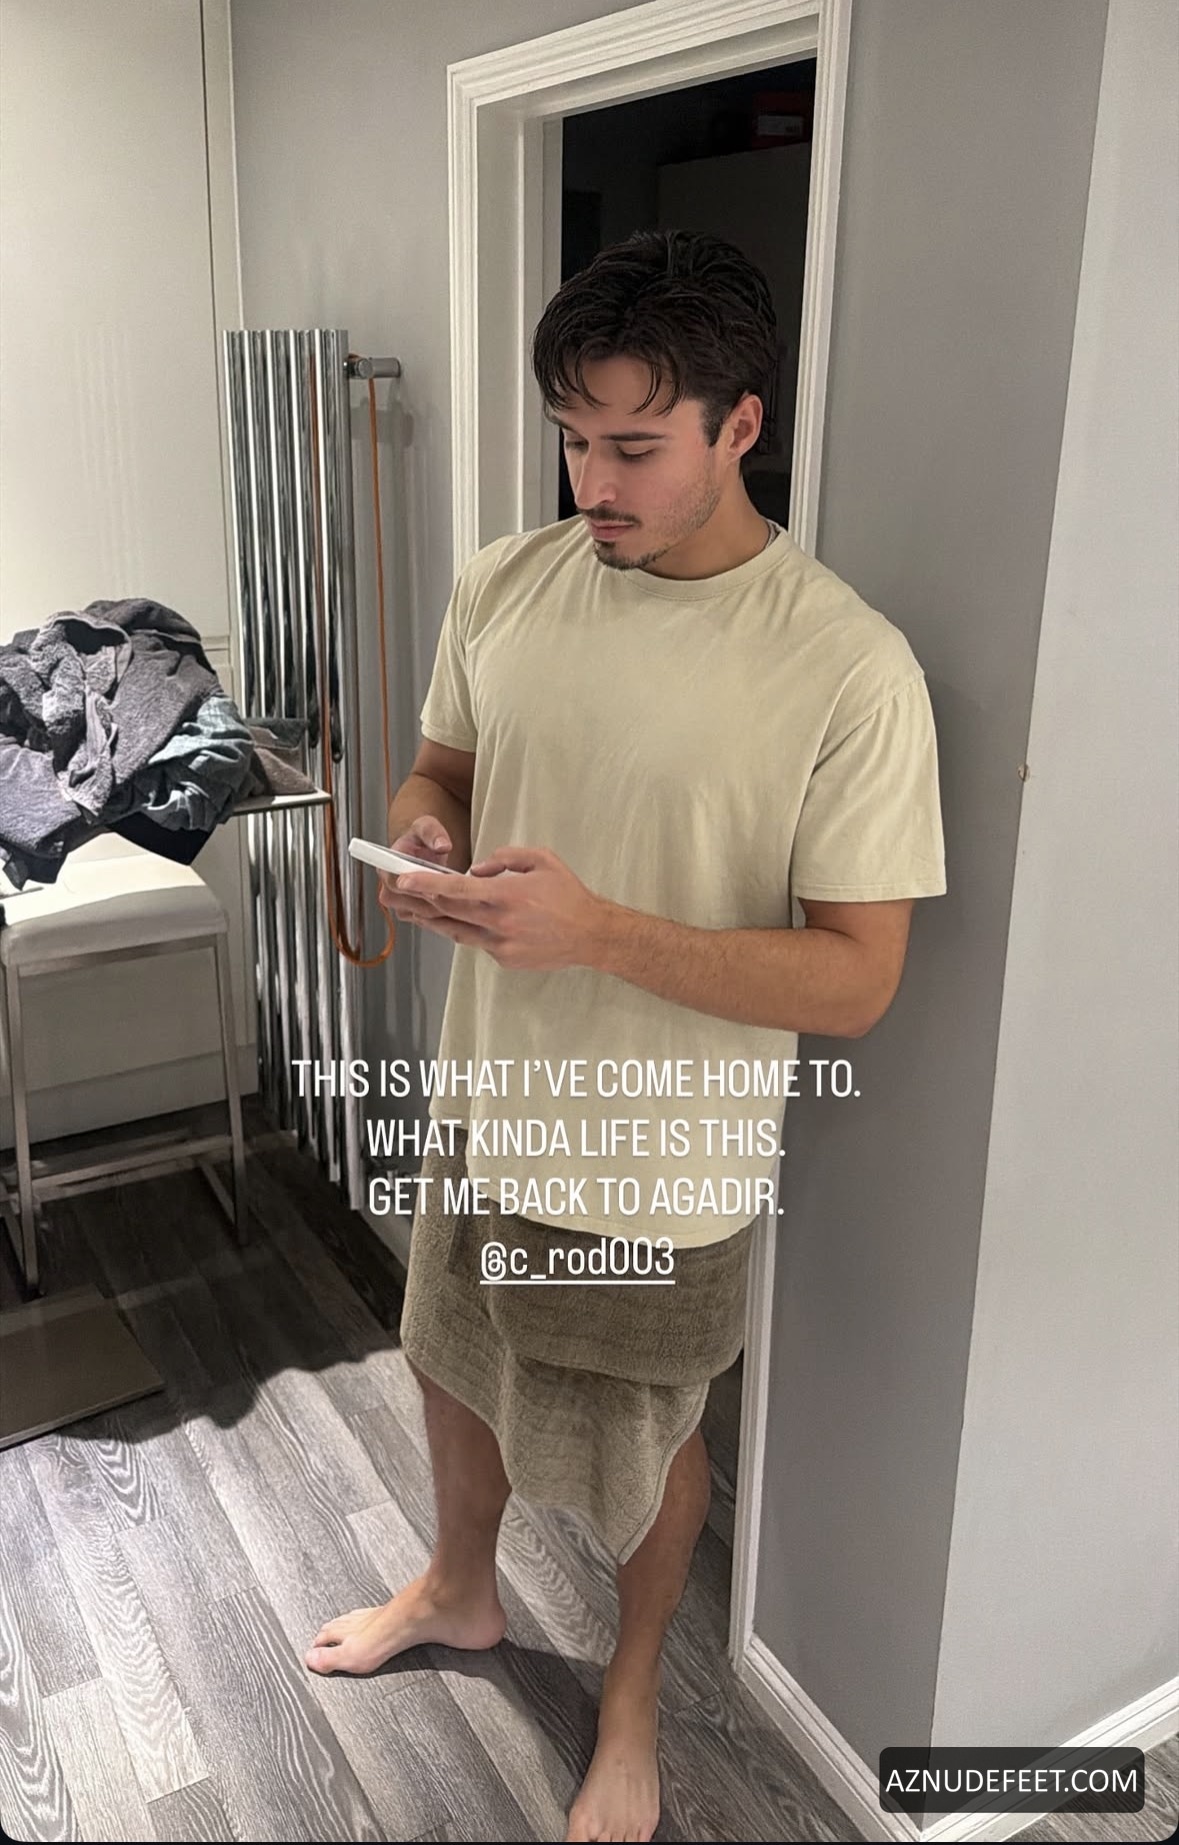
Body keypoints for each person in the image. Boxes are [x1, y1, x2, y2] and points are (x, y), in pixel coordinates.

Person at [303, 229, 947, 1843]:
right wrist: (428, 836)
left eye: (636, 445)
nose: (593, 480)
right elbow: (443, 771)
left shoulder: (847, 666)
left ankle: (635, 1695)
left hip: (657, 1165)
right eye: (573, 437)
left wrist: (596, 933)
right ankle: (459, 1585)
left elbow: (858, 977)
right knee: (451, 1355)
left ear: (742, 426)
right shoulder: (506, 581)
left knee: (646, 1443)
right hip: (485, 1098)